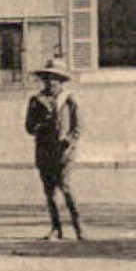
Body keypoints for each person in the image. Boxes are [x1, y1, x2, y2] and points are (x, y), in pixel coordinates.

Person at [25, 57, 83, 241]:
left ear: (62, 81)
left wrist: (70, 140)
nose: (51, 82)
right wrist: (39, 126)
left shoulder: (69, 100)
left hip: (64, 152)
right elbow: (28, 126)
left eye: (55, 78)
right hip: (44, 150)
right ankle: (56, 228)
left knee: (65, 187)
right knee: (49, 192)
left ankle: (79, 227)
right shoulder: (36, 100)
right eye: (47, 78)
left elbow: (78, 126)